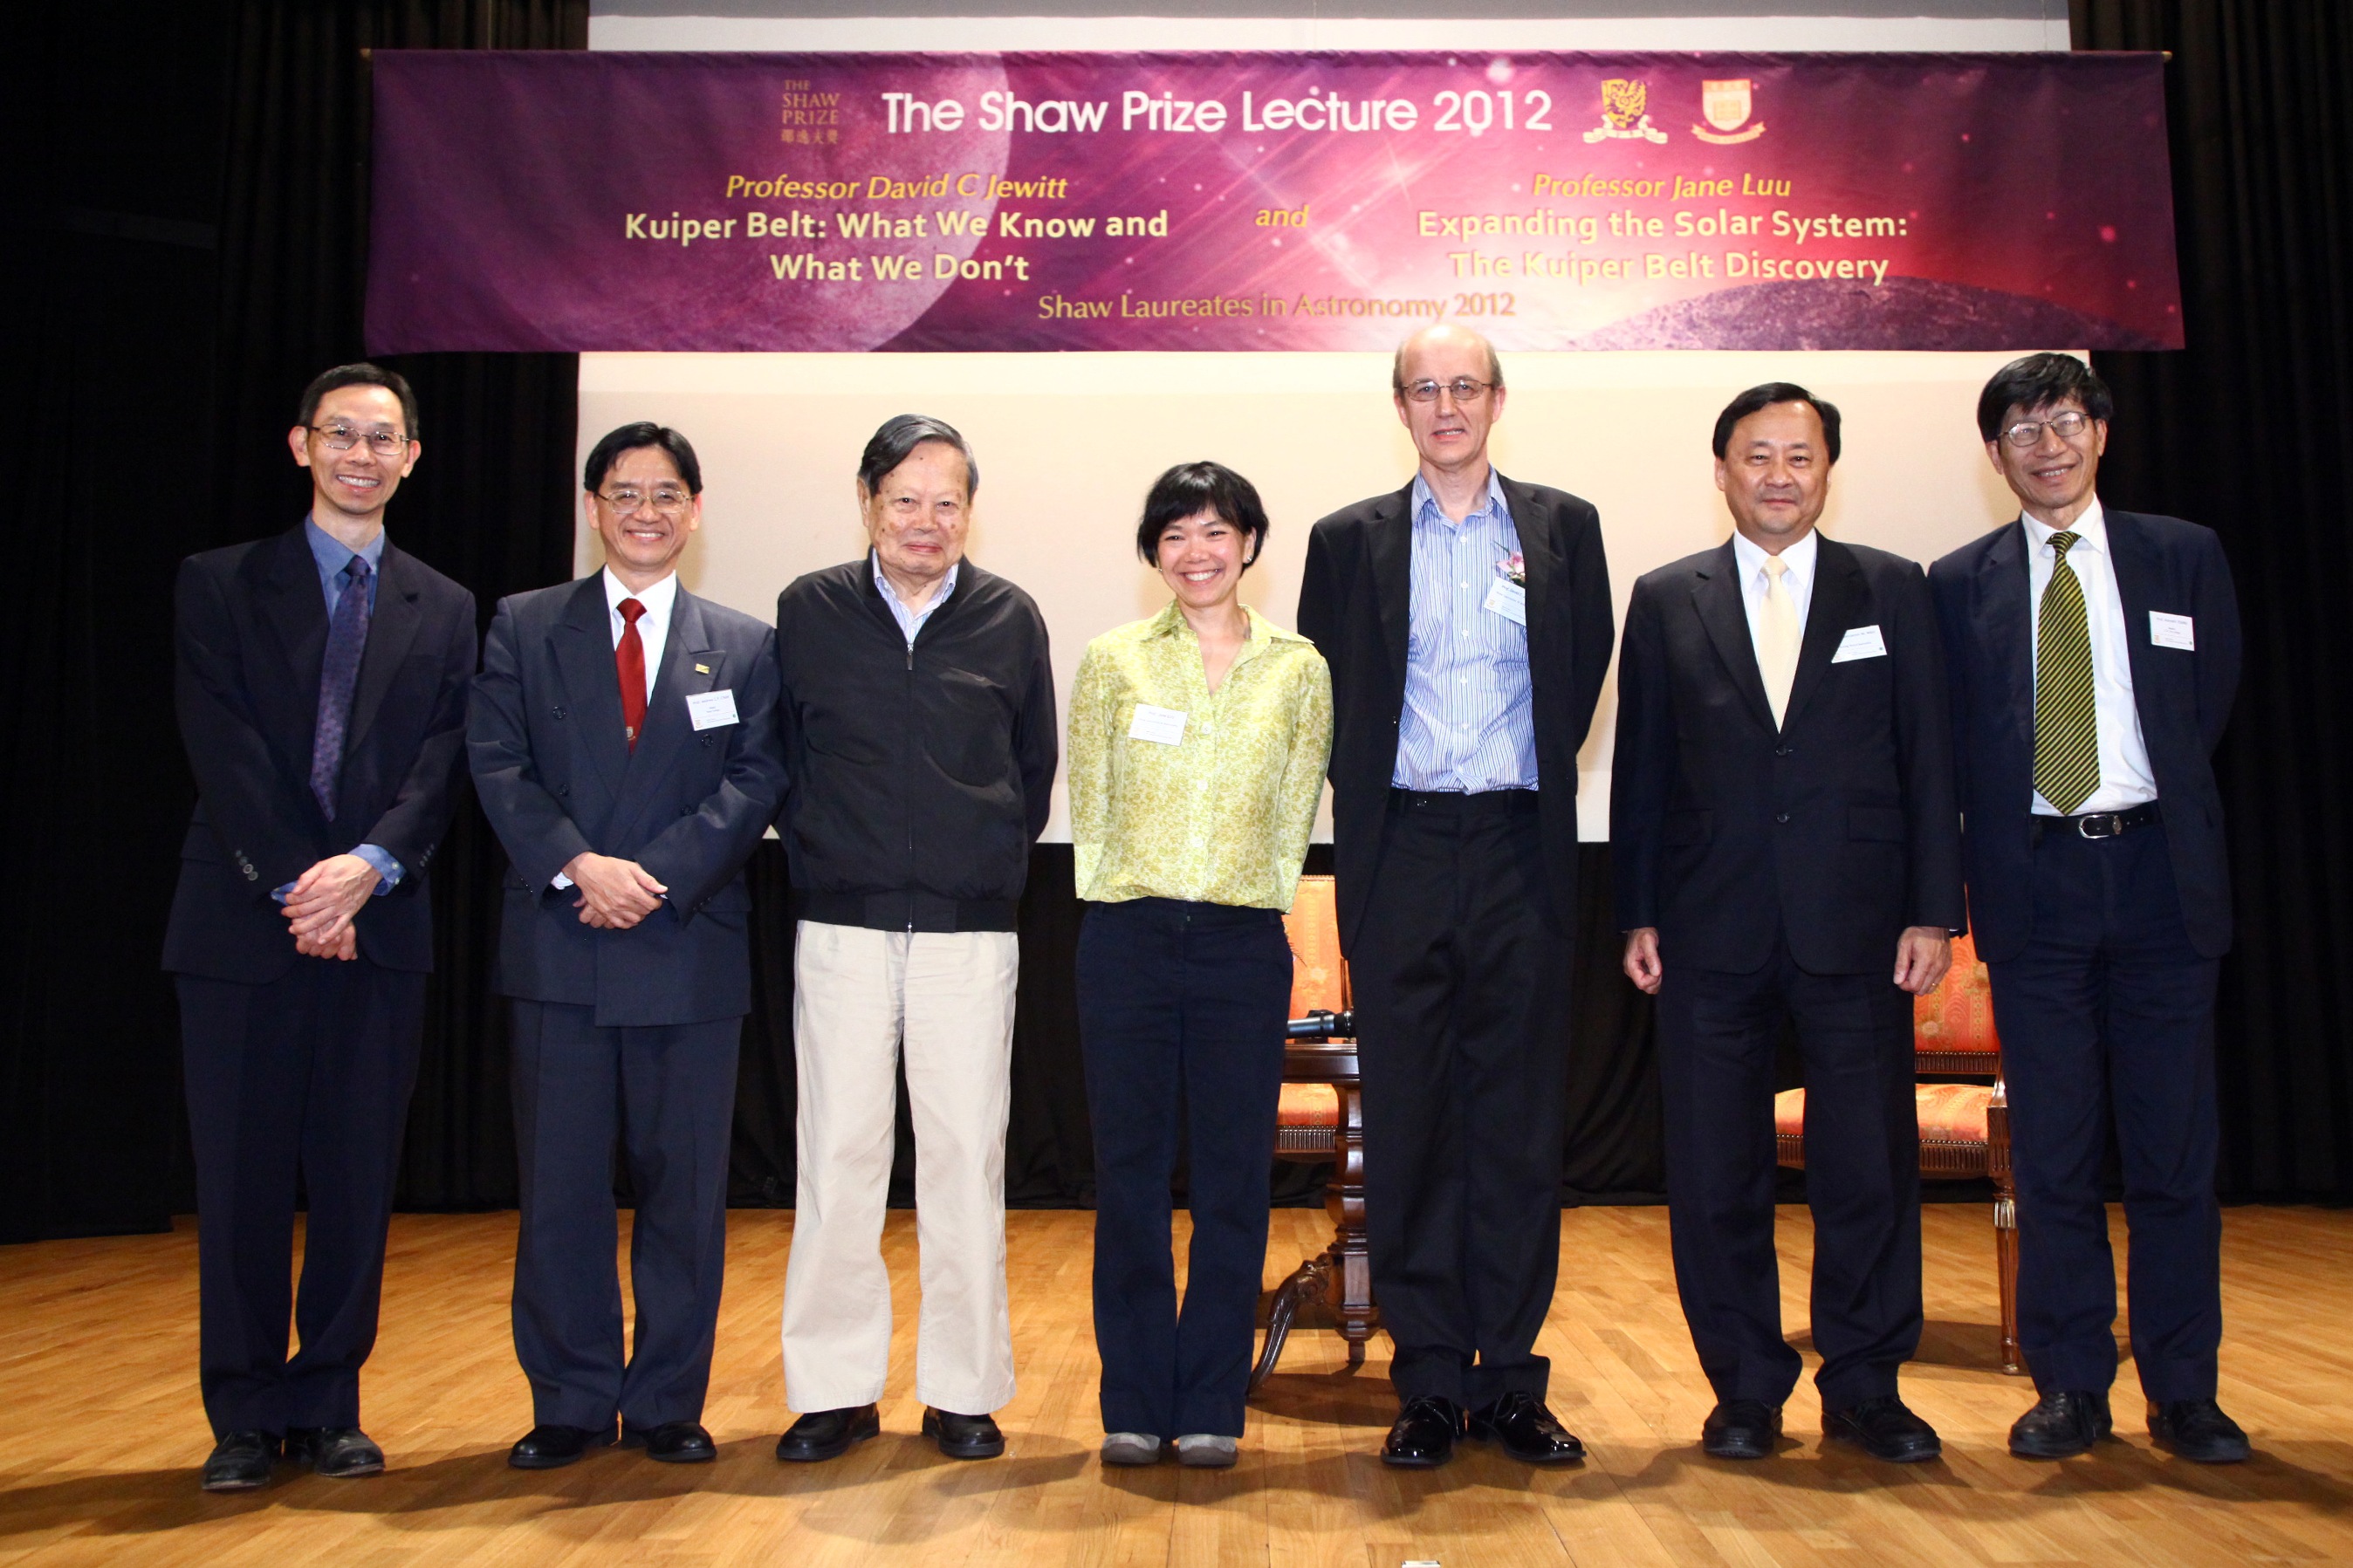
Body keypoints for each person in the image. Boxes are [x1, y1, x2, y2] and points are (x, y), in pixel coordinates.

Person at [1611, 384, 1963, 1464]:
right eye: (1755, 455)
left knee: (1866, 1167)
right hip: (1707, 927)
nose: (1777, 475)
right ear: (1719, 471)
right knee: (1716, 1173)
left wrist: (1930, 911)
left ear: (1826, 470)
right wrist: (1636, 912)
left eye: (1798, 457)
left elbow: (1926, 759)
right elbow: (1641, 771)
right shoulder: (1667, 595)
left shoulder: (1890, 590)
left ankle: (1864, 1384)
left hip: (1858, 927)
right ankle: (1744, 1389)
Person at [1296, 324, 1614, 1468]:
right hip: (1406, 853)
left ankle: (1514, 1381)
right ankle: (1429, 1380)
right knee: (1419, 1127)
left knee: (1521, 1128)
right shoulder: (1348, 541)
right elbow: (1329, 700)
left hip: (1522, 848)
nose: (1446, 406)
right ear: (1399, 405)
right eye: (1424, 389)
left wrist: (1508, 783)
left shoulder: (1564, 528)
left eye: (1464, 386)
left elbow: (1577, 681)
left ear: (1497, 399)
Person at [1929, 354, 2247, 1463]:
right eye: (2020, 429)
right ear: (1994, 453)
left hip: (2160, 877)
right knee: (2054, 1159)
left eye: (2064, 420)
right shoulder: (1954, 581)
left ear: (2098, 433)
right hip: (2035, 888)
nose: (2046, 444)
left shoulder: (2179, 554)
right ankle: (2068, 1386)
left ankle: (2184, 1390)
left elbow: (2205, 705)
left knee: (2170, 1156)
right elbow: (1949, 751)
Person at [165, 363, 476, 1492]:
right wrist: (305, 886)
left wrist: (367, 872)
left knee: (354, 1177)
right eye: (339, 433)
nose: (360, 453)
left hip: (381, 927)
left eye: (381, 437)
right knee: (241, 1177)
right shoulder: (218, 583)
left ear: (411, 457)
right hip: (245, 927)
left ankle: (330, 1400)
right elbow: (224, 747)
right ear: (302, 446)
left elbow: (443, 763)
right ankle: (243, 1410)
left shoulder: (445, 606)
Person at [469, 421, 787, 1470]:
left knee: (684, 1199)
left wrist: (654, 876)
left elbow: (756, 779)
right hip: (560, 946)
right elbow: (498, 764)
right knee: (558, 1194)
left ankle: (665, 1404)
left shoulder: (742, 643)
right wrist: (579, 867)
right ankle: (566, 1401)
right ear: (591, 507)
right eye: (622, 493)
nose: (644, 512)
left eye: (665, 495)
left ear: (695, 512)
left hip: (685, 948)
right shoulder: (522, 626)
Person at [772, 414, 1056, 1463]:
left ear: (968, 512)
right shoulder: (807, 611)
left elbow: (1029, 770)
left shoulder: (1007, 616)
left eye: (946, 502)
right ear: (866, 503)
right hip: (839, 927)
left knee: (962, 1159)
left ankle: (962, 1389)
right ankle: (834, 1390)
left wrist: (968, 862)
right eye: (905, 499)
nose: (925, 522)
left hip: (966, 935)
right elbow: (785, 753)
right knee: (836, 1159)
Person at [1067, 462, 1334, 1469]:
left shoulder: (1298, 667)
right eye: (1175, 533)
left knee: (1232, 1183)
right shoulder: (1113, 660)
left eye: (1217, 532)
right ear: (1153, 550)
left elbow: (1294, 808)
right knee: (1128, 1178)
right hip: (1127, 939)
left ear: (1250, 544)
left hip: (1237, 945)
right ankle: (1133, 1398)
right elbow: (1087, 798)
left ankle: (1213, 1398)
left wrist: (1249, 904)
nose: (1197, 552)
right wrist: (1124, 894)